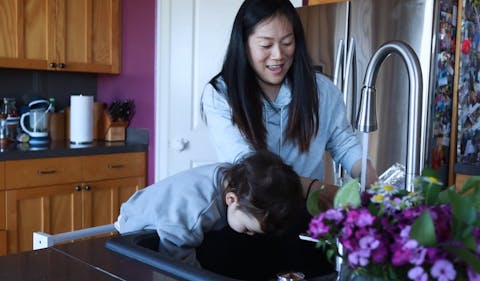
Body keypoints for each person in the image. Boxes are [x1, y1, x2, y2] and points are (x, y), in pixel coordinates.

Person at [199, 0, 377, 279]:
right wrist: (318, 189)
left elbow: (344, 141)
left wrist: (368, 175)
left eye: (287, 42)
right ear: (244, 43)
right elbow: (249, 166)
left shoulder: (322, 90)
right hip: (250, 220)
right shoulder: (221, 94)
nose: (278, 55)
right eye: (266, 44)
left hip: (306, 223)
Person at [114, 150, 304, 269]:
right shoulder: (197, 211)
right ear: (232, 199)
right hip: (138, 222)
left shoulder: (237, 180)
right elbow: (175, 257)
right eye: (247, 229)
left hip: (166, 213)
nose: (249, 235)